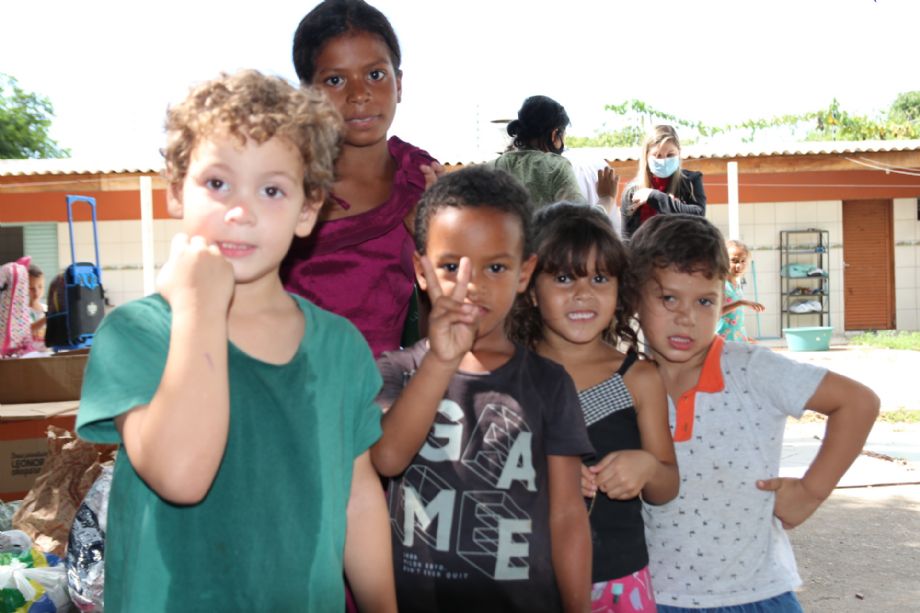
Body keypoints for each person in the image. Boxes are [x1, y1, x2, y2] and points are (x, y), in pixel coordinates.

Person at [75, 70, 395, 612]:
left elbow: (357, 498)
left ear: (307, 210)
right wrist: (199, 307)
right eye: (218, 184)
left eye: (272, 190)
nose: (241, 212)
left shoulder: (339, 347)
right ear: (176, 190)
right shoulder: (138, 334)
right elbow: (181, 476)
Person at [629, 214, 879, 612]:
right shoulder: (622, 382)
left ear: (723, 301)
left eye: (704, 301)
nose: (686, 317)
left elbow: (858, 403)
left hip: (759, 593)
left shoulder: (751, 369)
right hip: (655, 596)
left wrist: (810, 491)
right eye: (668, 298)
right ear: (633, 297)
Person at [370, 166, 594, 613]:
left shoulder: (549, 383)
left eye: (495, 267)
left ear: (524, 273)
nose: (472, 285)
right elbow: (388, 459)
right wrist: (441, 360)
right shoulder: (396, 370)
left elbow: (568, 515)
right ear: (421, 270)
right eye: (451, 266)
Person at [509, 203, 678, 612]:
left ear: (620, 288)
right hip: (524, 580)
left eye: (600, 278)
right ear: (530, 289)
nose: (583, 293)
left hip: (618, 582)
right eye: (564, 277)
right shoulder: (507, 376)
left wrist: (647, 468)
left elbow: (667, 486)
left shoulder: (639, 378)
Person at [283, 0, 442, 357]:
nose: (358, 94)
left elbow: (436, 332)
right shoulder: (282, 183)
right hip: (284, 379)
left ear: (399, 83)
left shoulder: (418, 181)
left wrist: (433, 247)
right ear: (307, 96)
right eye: (335, 80)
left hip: (382, 383)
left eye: (375, 75)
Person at [489, 95, 586, 209]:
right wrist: (604, 198)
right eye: (564, 135)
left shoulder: (495, 166)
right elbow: (579, 216)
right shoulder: (558, 167)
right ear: (554, 134)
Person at [620, 125, 705, 239]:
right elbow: (627, 237)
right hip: (644, 250)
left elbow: (699, 215)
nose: (663, 160)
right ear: (646, 156)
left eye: (670, 155)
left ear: (679, 153)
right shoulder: (633, 190)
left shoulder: (690, 181)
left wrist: (653, 196)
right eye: (657, 155)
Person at [717, 239, 764, 343]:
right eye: (734, 261)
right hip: (722, 342)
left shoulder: (736, 286)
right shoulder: (720, 285)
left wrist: (743, 337)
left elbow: (735, 320)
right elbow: (714, 314)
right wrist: (741, 302)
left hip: (736, 339)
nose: (739, 266)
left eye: (743, 261)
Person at [27, 262, 47, 342]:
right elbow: (27, 331)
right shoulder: (21, 312)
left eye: (40, 286)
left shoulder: (46, 308)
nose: (36, 292)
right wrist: (47, 318)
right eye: (31, 288)